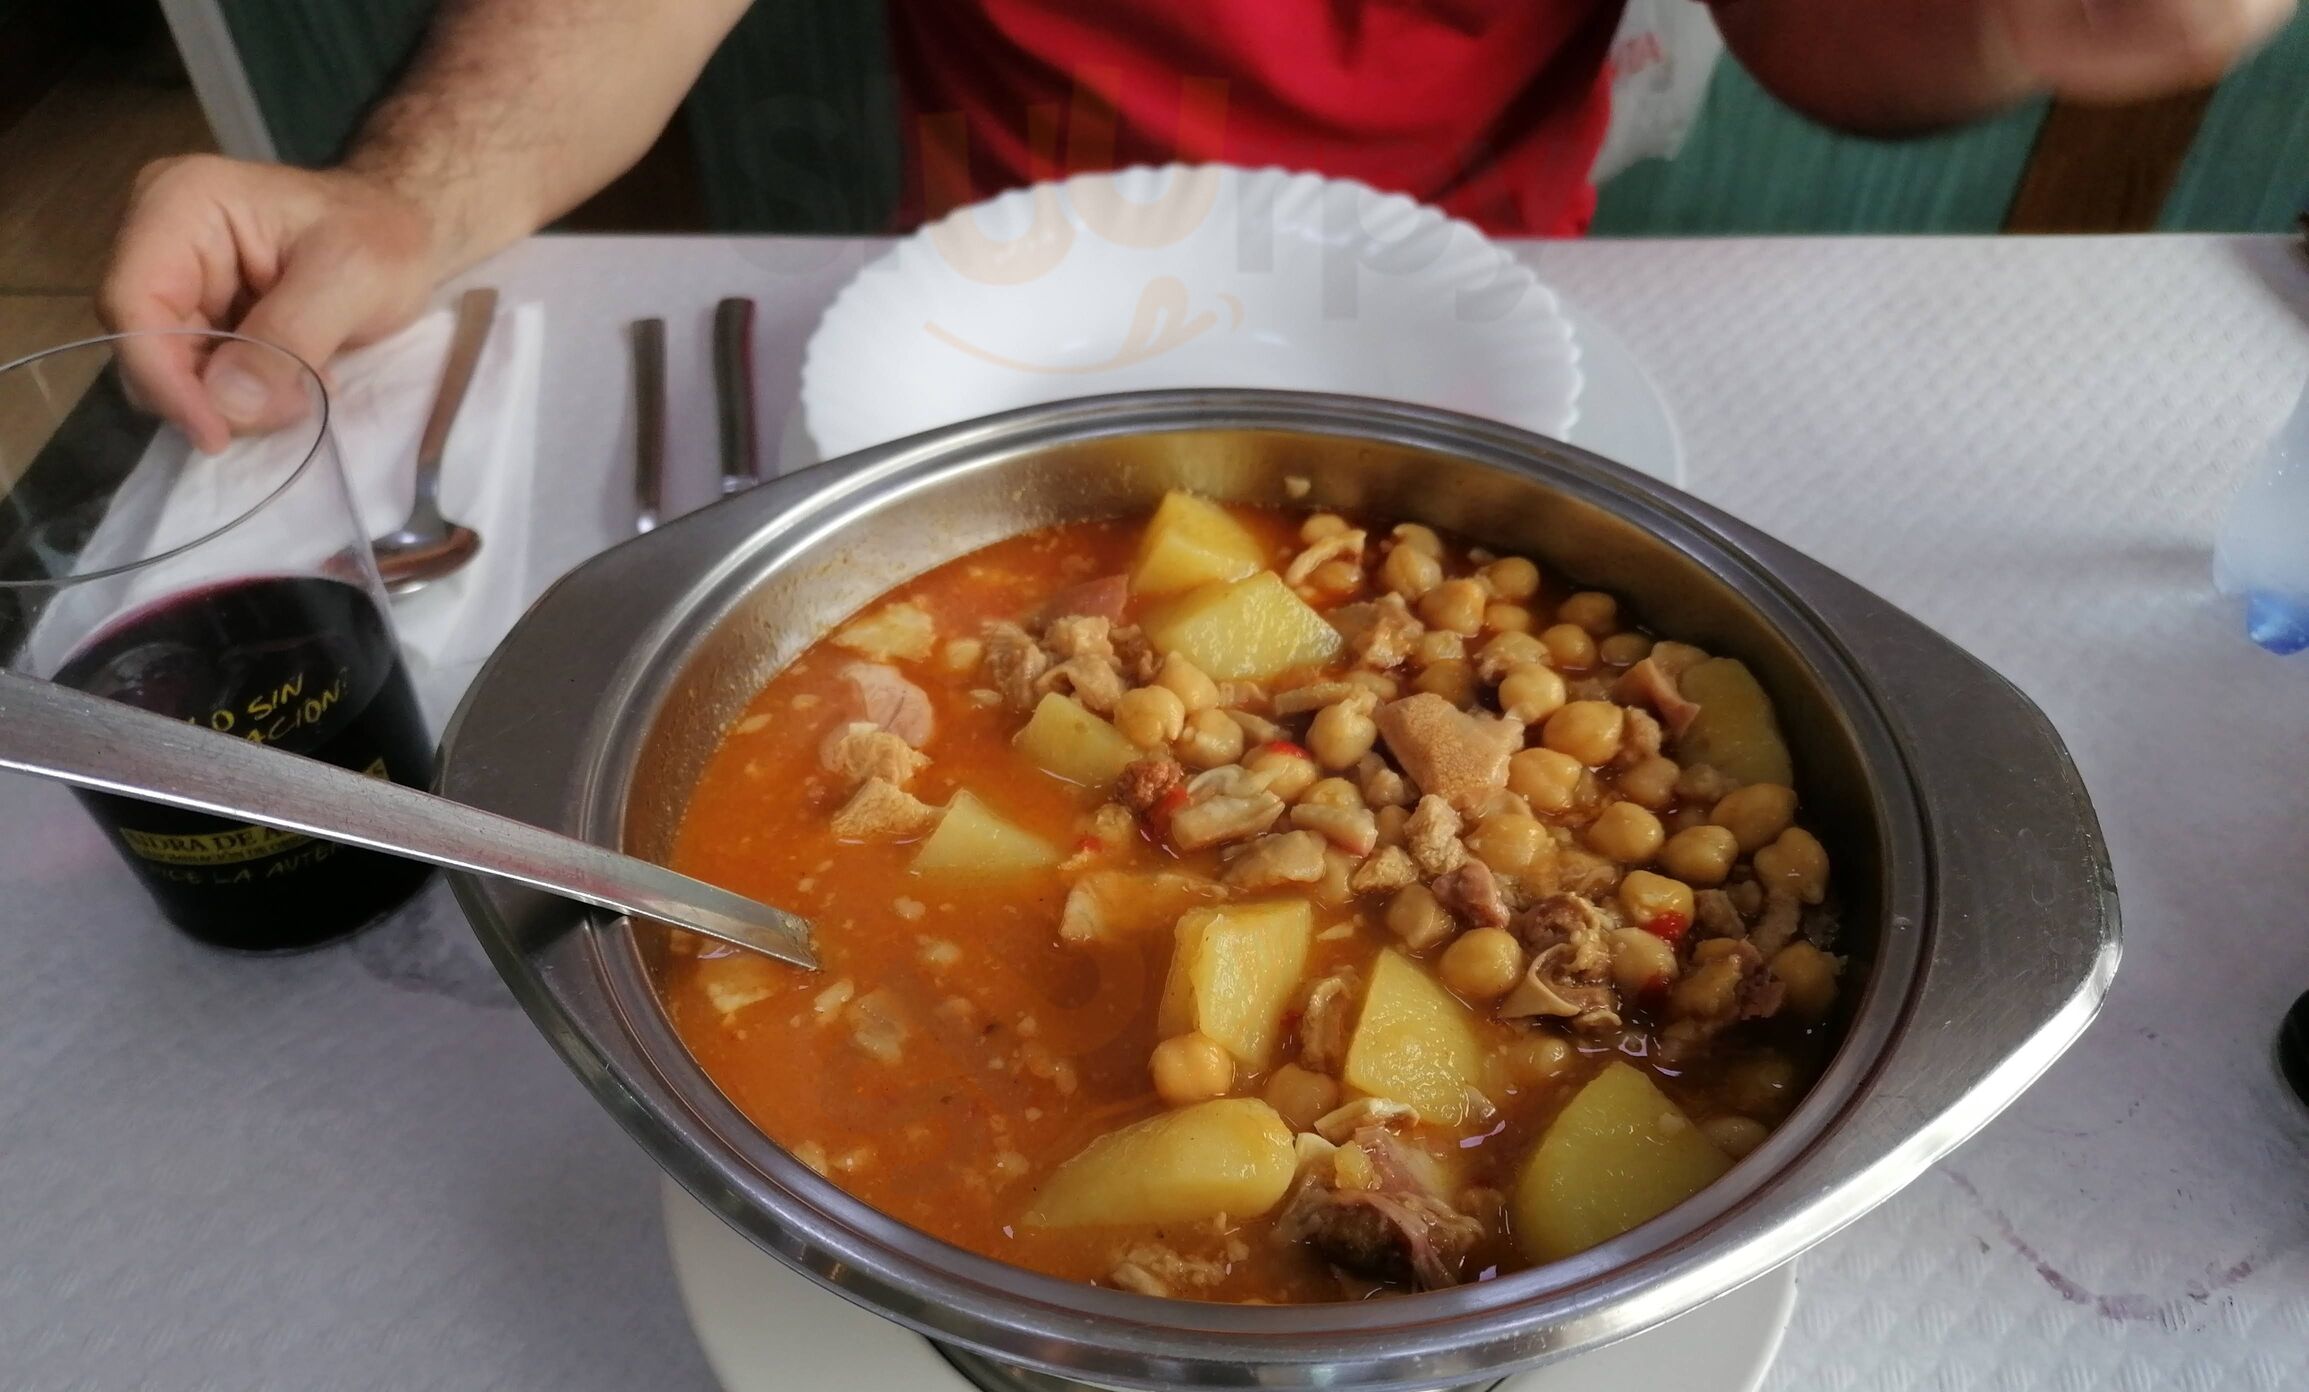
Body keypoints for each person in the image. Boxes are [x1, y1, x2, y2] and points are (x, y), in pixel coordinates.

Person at [102, 0, 2291, 450]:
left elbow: (1830, 43)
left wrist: (2029, 14)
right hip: (1001, 346)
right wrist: (404, 191)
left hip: (1485, 351)